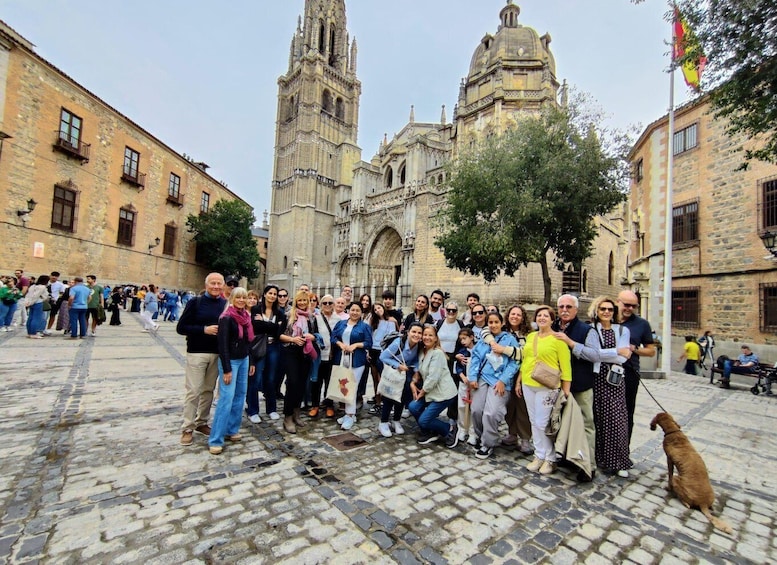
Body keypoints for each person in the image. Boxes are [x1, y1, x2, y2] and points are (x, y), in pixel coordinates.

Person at [517, 305, 571, 475]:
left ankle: (551, 458)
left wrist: (566, 390)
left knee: (543, 423)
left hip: (547, 387)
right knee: (534, 421)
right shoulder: (531, 336)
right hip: (528, 383)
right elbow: (525, 361)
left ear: (552, 319)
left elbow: (566, 367)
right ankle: (539, 454)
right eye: (539, 315)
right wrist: (519, 381)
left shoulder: (558, 339)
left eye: (545, 316)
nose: (541, 318)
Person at [552, 294, 601, 481]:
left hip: (580, 385)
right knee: (562, 422)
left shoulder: (587, 330)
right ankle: (566, 456)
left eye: (568, 307)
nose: (564, 310)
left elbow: (595, 355)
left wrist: (570, 343)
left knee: (586, 424)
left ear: (576, 309)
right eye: (561, 306)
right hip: (557, 385)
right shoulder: (553, 326)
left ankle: (588, 465)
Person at [177, 273, 227, 446]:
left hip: (216, 353)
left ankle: (201, 422)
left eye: (219, 284)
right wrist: (203, 330)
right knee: (194, 390)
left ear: (223, 286)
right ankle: (187, 427)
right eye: (213, 283)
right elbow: (181, 327)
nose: (216, 286)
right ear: (206, 285)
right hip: (197, 352)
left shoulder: (225, 304)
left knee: (208, 390)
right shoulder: (195, 302)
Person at [588, 296, 633, 477]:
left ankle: (618, 461)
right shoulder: (591, 330)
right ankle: (601, 458)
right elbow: (593, 355)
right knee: (598, 418)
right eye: (602, 309)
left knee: (616, 420)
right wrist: (615, 351)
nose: (606, 312)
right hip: (597, 378)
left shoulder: (622, 330)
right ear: (596, 311)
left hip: (614, 380)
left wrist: (605, 354)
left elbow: (623, 358)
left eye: (610, 309)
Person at [467, 311, 520, 459]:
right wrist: (472, 378)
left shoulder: (510, 340)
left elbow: (514, 362)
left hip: (500, 381)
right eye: (491, 322)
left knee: (492, 412)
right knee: (477, 410)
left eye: (496, 322)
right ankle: (480, 435)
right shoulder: (484, 340)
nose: (494, 325)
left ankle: (488, 443)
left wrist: (503, 380)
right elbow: (476, 358)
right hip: (483, 378)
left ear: (502, 323)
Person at [208, 287, 255, 455]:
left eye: (244, 297)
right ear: (232, 298)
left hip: (244, 359)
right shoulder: (226, 317)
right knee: (226, 398)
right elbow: (222, 345)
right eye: (238, 297)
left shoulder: (245, 317)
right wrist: (227, 369)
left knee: (240, 395)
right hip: (231, 362)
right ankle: (215, 439)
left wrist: (251, 361)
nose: (241, 300)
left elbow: (249, 342)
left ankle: (232, 429)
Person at [488, 305, 533, 456]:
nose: (515, 317)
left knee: (522, 407)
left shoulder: (528, 334)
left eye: (518, 315)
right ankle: (512, 434)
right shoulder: (503, 332)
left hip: (522, 374)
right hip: (505, 375)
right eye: (512, 314)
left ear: (523, 317)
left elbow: (526, 355)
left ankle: (525, 438)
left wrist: (504, 350)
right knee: (510, 407)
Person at [616, 290, 655, 444]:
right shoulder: (607, 318)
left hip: (629, 373)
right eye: (626, 305)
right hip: (604, 372)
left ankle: (623, 451)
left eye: (634, 306)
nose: (630, 309)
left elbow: (651, 350)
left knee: (626, 413)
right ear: (617, 301)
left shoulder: (642, 324)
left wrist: (634, 349)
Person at [409, 325, 458, 445]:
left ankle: (450, 429)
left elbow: (433, 378)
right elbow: (419, 371)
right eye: (425, 335)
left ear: (436, 338)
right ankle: (429, 432)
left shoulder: (437, 354)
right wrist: (413, 381)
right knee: (413, 407)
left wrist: (422, 392)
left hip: (442, 393)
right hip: (430, 391)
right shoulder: (422, 351)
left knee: (424, 420)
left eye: (430, 335)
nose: (427, 337)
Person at [331, 302, 373, 430]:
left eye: (358, 310)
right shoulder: (341, 324)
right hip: (342, 359)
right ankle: (350, 413)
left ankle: (349, 415)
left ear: (361, 312)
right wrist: (340, 344)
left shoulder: (364, 327)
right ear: (349, 311)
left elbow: (368, 343)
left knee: (351, 388)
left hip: (357, 361)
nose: (355, 312)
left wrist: (356, 345)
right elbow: (333, 337)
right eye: (353, 310)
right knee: (344, 386)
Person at [280, 290, 317, 433]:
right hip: (291, 351)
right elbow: (280, 335)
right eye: (299, 301)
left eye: (304, 301)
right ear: (295, 302)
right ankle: (287, 417)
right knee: (292, 383)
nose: (302, 303)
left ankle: (296, 413)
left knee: (302, 384)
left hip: (306, 353)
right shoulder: (289, 315)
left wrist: (312, 337)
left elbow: (316, 334)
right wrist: (293, 339)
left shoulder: (311, 317)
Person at [249, 285, 287, 421]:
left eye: (275, 294)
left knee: (271, 379)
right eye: (270, 293)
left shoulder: (280, 313)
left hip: (273, 347)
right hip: (259, 346)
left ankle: (271, 409)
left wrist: (265, 324)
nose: (272, 296)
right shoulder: (255, 309)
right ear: (264, 294)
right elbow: (255, 327)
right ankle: (253, 411)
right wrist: (273, 326)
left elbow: (278, 332)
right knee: (255, 378)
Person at [378, 323, 423, 437]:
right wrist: (397, 365)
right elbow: (383, 357)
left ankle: (396, 420)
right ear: (408, 332)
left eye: (419, 333)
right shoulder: (398, 343)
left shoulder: (418, 345)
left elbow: (416, 359)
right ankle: (383, 422)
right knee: (389, 396)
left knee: (401, 396)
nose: (416, 335)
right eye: (414, 332)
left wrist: (416, 371)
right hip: (393, 371)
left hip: (405, 374)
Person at [310, 294, 341, 418]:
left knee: (330, 381)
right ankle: (315, 405)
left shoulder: (338, 319)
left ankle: (329, 405)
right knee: (316, 381)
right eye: (324, 303)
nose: (327, 305)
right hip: (318, 355)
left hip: (332, 355)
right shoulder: (315, 318)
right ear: (320, 305)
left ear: (333, 305)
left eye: (330, 303)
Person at [450, 328, 477, 447]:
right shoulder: (462, 352)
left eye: (464, 338)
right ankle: (462, 429)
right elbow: (458, 367)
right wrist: (462, 376)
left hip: (475, 384)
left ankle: (472, 432)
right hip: (464, 383)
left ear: (471, 337)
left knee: (473, 408)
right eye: (460, 339)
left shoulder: (478, 350)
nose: (462, 341)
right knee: (461, 406)